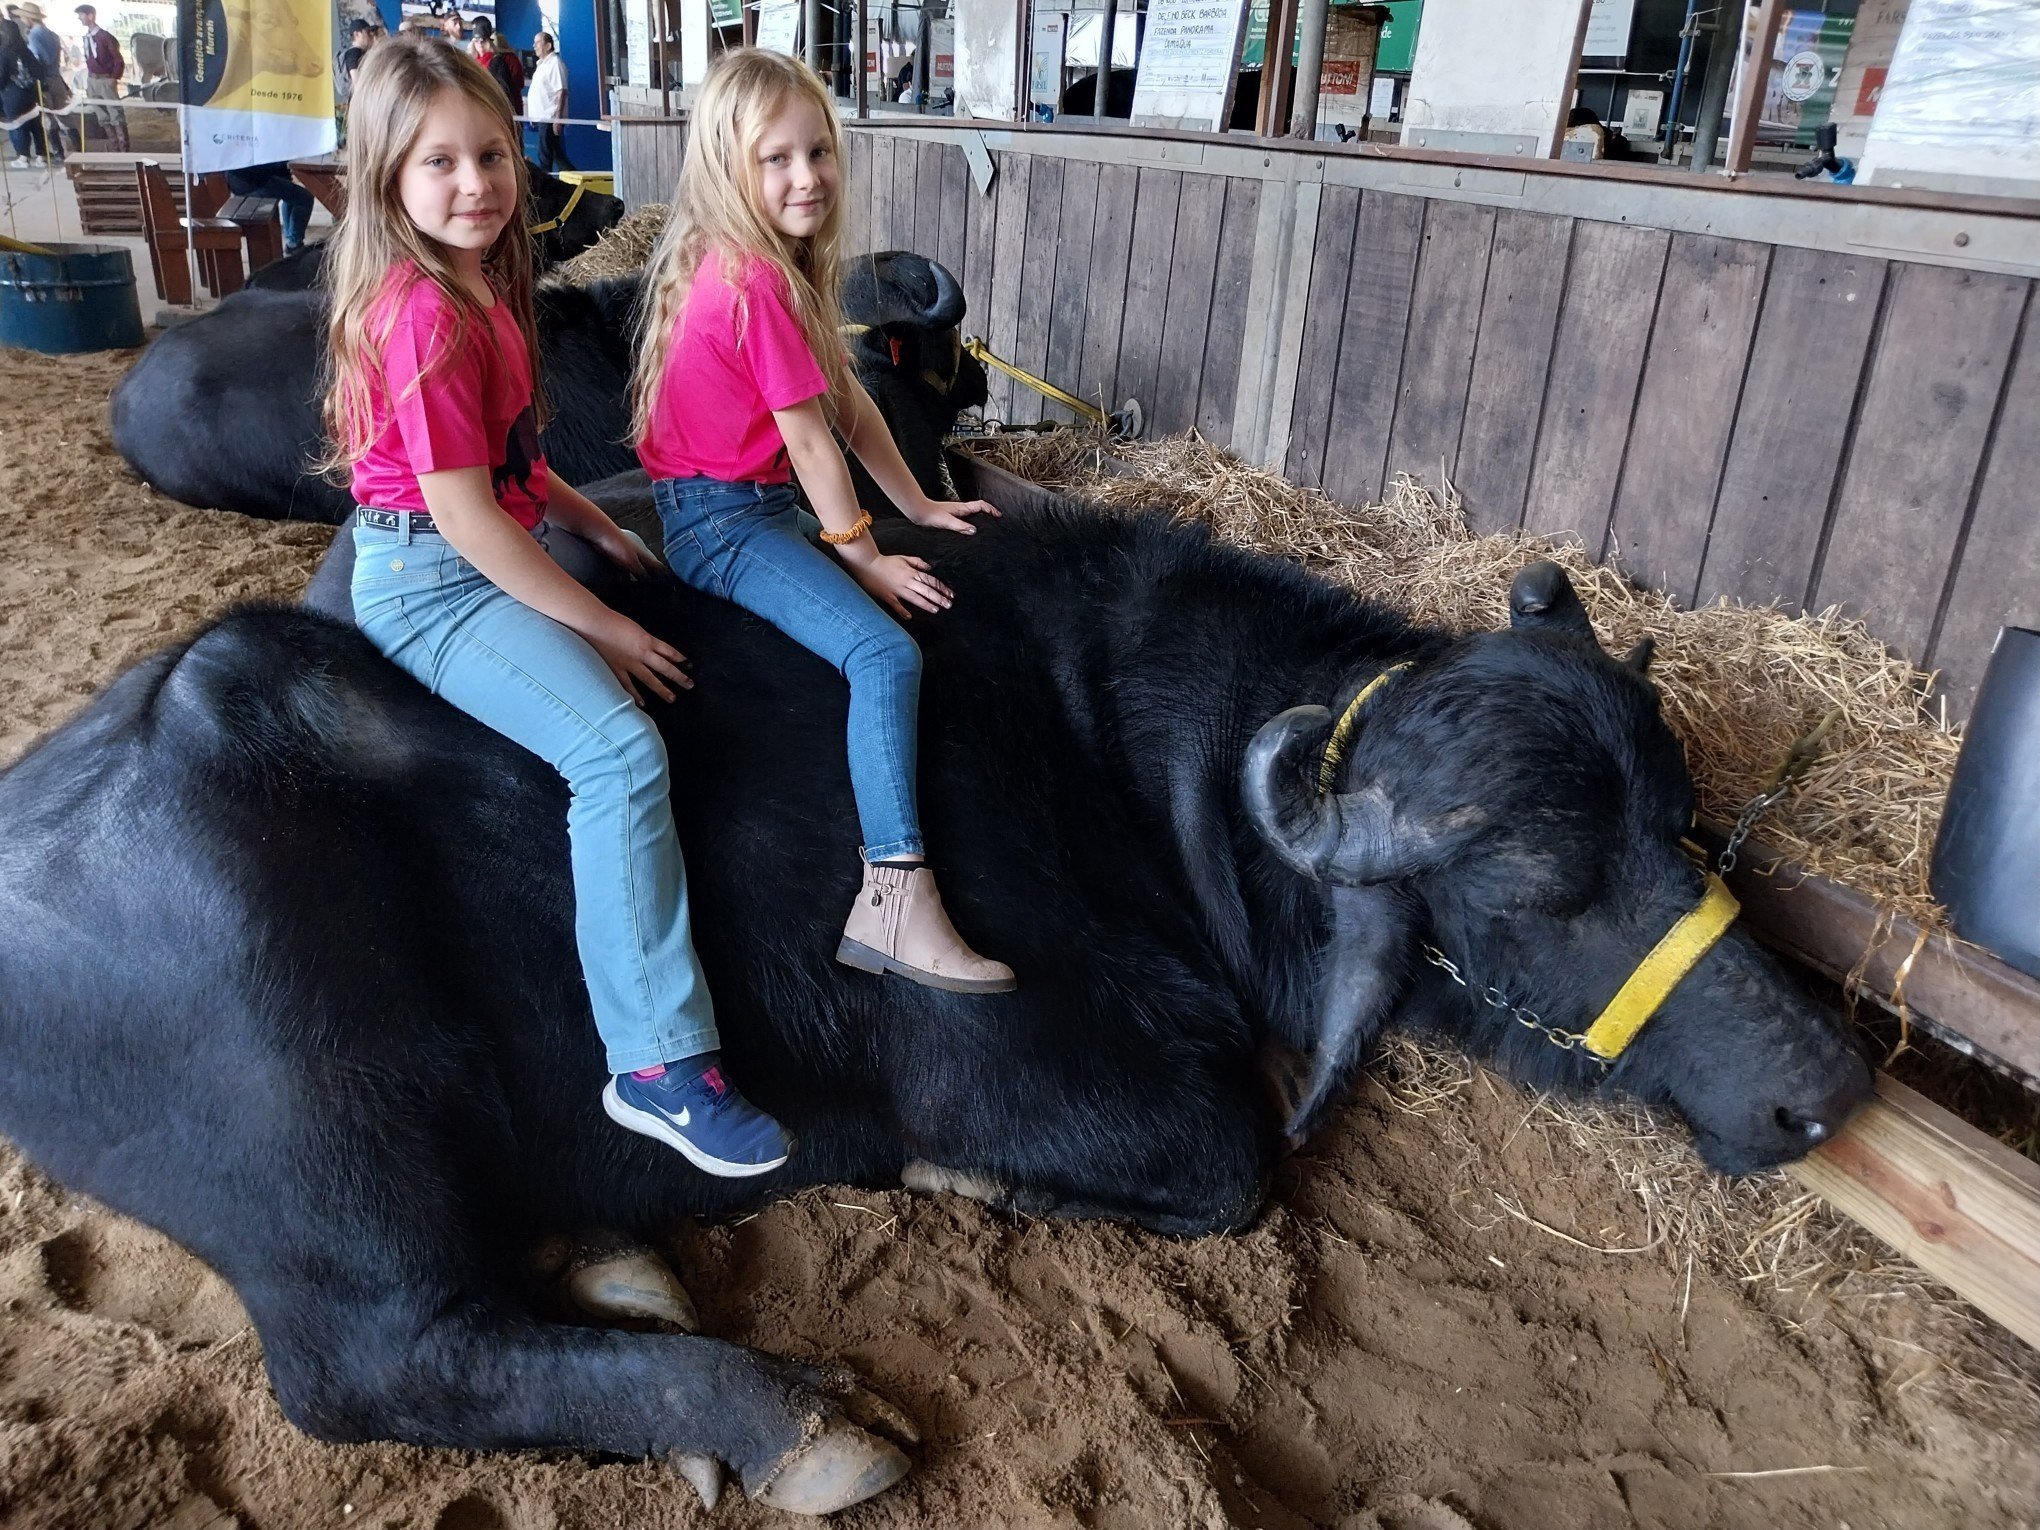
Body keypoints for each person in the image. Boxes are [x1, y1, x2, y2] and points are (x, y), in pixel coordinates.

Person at [322, 35, 794, 1175]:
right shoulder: (421, 314)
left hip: (501, 533)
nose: (476, 183)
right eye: (439, 163)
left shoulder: (480, 281)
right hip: (432, 582)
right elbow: (469, 520)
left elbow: (514, 475)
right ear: (387, 175)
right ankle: (657, 1067)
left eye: (490, 154)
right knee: (620, 756)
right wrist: (602, 624)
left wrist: (595, 527)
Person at [631, 49, 1016, 998]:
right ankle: (892, 893)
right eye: (775, 159)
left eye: (818, 152)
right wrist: (864, 552)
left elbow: (849, 402)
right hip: (726, 524)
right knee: (886, 656)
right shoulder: (752, 282)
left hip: (746, 503)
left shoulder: (765, 266)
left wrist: (918, 500)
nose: (805, 177)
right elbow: (810, 443)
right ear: (728, 166)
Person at [225, 159, 314, 254]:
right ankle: (294, 244)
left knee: (291, 192)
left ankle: (292, 242)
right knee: (304, 198)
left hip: (242, 180)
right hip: (253, 183)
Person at [72, 2, 121, 150]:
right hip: (92, 79)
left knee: (115, 113)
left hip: (105, 78)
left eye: (81, 15)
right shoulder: (87, 37)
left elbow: (117, 58)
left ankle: (123, 146)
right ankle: (113, 144)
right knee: (101, 113)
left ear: (90, 16)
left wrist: (114, 77)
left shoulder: (104, 37)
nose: (80, 18)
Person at [19, 2, 64, 161]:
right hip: (57, 78)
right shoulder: (52, 34)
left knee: (49, 120)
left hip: (44, 81)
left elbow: (38, 59)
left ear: (29, 17)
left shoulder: (34, 35)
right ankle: (77, 149)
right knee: (64, 117)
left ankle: (59, 152)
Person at [1, 18, 48, 166]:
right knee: (36, 125)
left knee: (18, 125)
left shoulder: (4, 52)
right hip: (31, 93)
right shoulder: (25, 50)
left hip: (13, 94)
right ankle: (41, 156)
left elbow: (2, 76)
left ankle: (23, 157)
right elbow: (38, 70)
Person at [527, 29, 569, 172]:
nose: (534, 46)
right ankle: (575, 183)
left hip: (549, 118)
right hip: (542, 118)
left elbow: (561, 91)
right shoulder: (542, 65)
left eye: (538, 43)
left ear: (548, 45)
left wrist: (558, 119)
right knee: (556, 155)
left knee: (545, 156)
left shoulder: (555, 64)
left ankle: (546, 190)